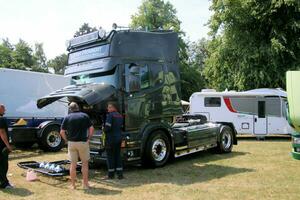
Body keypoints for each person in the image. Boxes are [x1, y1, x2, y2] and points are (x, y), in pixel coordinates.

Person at [60, 102, 94, 189]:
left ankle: (73, 185)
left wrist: (66, 140)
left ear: (70, 109)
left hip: (72, 143)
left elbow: (62, 132)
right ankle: (85, 185)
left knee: (73, 164)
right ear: (78, 107)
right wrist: (89, 138)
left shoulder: (67, 117)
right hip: (83, 142)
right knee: (85, 163)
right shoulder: (84, 116)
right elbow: (91, 128)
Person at [103, 102, 124, 179]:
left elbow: (108, 128)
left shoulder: (110, 116)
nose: (107, 109)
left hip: (110, 139)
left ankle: (111, 175)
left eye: (109, 107)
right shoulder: (120, 116)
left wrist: (103, 129)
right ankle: (120, 174)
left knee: (110, 156)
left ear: (113, 108)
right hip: (118, 138)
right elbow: (121, 127)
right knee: (118, 155)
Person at [0, 104, 13, 189]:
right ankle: (5, 184)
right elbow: (2, 132)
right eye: (3, 109)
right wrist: (8, 145)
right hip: (2, 146)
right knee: (3, 165)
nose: (5, 110)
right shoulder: (1, 119)